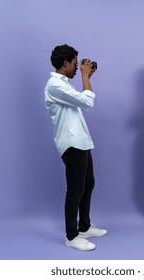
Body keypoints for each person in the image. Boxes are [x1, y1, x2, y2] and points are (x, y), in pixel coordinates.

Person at [44, 44, 106, 251]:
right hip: (71, 143)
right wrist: (86, 77)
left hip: (81, 140)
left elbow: (80, 104)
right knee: (75, 190)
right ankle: (71, 236)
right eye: (74, 63)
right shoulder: (55, 85)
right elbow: (87, 102)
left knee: (88, 184)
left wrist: (85, 77)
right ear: (65, 63)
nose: (77, 67)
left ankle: (84, 226)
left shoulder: (64, 84)